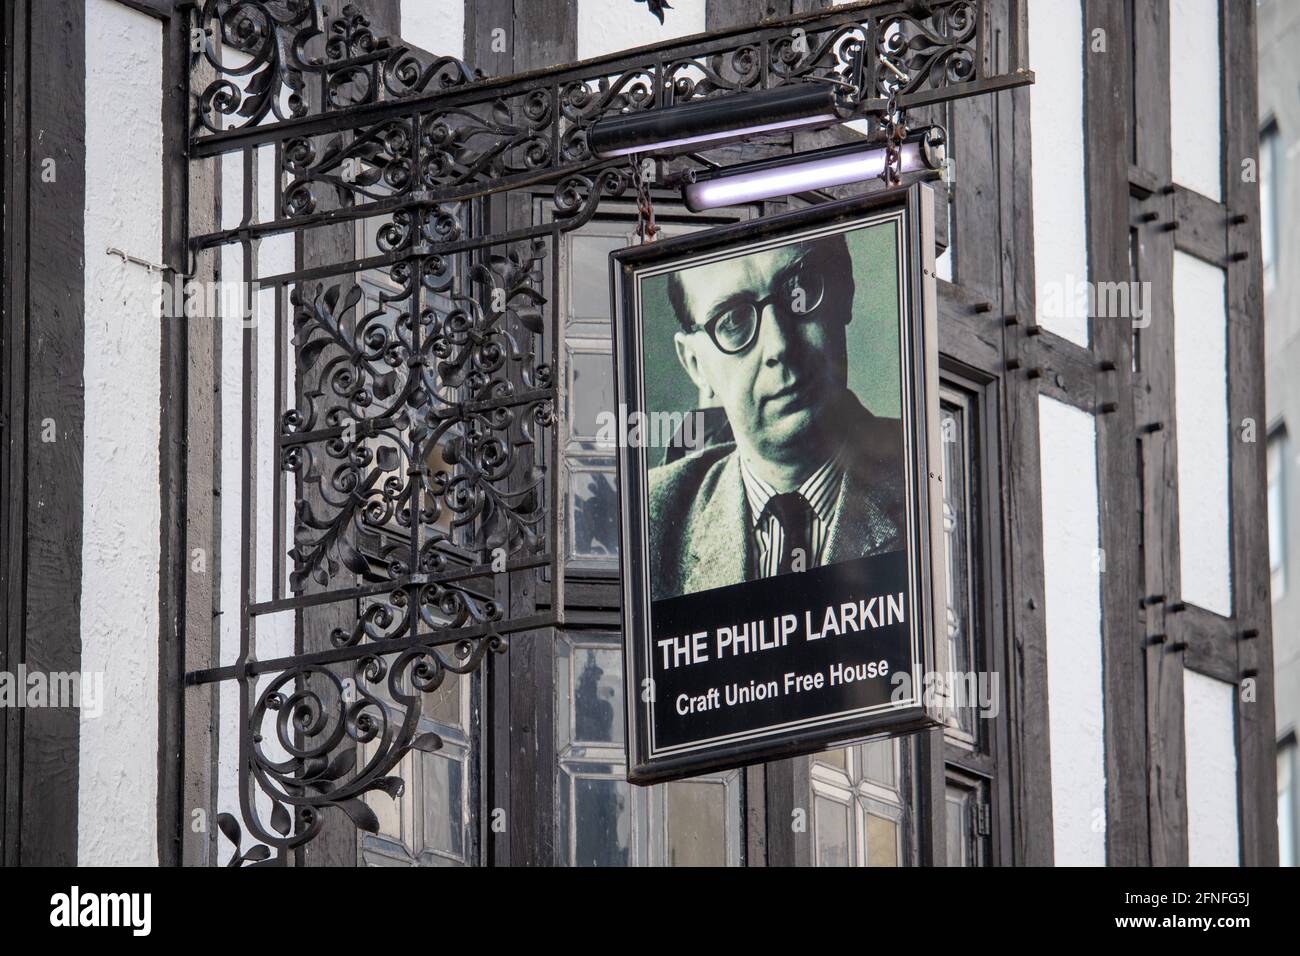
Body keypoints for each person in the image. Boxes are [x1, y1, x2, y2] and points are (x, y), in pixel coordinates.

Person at [647, 232, 905, 602]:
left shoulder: (930, 472)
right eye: (733, 320)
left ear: (843, 290)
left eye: (799, 291)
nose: (780, 346)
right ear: (695, 364)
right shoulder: (655, 520)